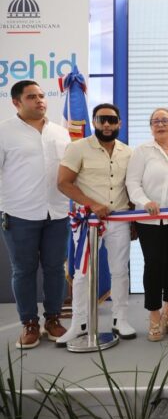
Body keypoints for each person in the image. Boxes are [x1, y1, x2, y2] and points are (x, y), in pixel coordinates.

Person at [57, 102, 135, 344]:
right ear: (94, 122)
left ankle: (120, 319)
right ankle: (79, 323)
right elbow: (63, 183)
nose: (107, 124)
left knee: (120, 271)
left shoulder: (128, 152)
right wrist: (92, 204)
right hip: (88, 222)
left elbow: (131, 187)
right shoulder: (77, 148)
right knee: (82, 273)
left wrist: (134, 221)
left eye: (112, 120)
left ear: (119, 123)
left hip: (120, 220)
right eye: (102, 120)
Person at [0, 80, 70, 349]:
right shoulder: (4, 132)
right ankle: (29, 323)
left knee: (55, 269)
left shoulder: (60, 132)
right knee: (23, 270)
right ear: (16, 102)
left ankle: (53, 319)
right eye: (32, 96)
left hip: (57, 213)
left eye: (41, 95)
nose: (40, 100)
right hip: (19, 214)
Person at [126, 108, 168, 342]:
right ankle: (154, 316)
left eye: (165, 120)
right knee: (153, 264)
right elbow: (132, 183)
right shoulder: (142, 151)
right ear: (151, 127)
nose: (160, 124)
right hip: (149, 220)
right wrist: (145, 202)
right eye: (155, 121)